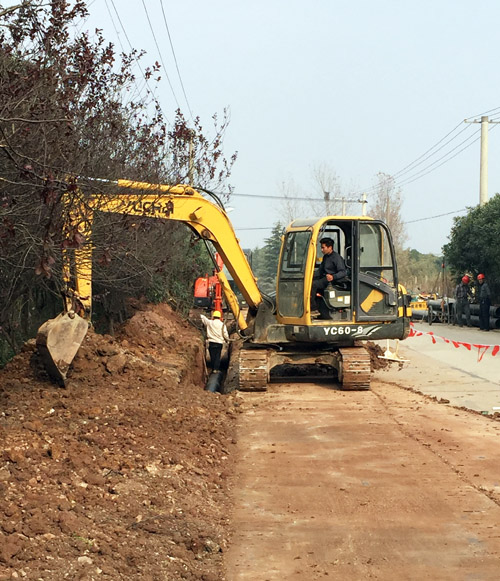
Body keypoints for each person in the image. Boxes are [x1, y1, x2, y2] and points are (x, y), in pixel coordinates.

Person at [310, 237, 347, 317]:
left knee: (313, 285)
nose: (321, 250)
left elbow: (343, 272)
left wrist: (333, 276)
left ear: (330, 247)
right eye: (321, 248)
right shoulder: (326, 257)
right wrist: (309, 276)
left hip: (333, 280)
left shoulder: (336, 258)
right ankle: (321, 310)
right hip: (325, 278)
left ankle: (313, 309)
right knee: (309, 282)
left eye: (323, 247)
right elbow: (320, 271)